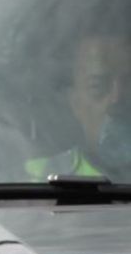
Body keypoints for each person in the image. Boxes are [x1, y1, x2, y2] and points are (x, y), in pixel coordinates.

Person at [26, 32, 131, 180]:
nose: (117, 98)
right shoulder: (38, 182)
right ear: (75, 104)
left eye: (129, 85)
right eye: (98, 86)